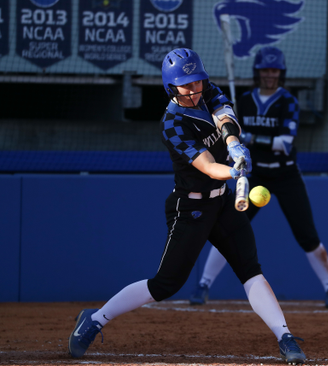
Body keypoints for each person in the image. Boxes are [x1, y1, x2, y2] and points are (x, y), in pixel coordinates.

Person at [67, 48, 306, 365]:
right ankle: (96, 319)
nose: (194, 90)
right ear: (171, 87)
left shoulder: (205, 89)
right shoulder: (172, 124)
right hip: (190, 209)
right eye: (185, 85)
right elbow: (207, 166)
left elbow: (224, 112)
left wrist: (233, 143)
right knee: (165, 285)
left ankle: (285, 337)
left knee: (250, 270)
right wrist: (235, 170)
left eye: (197, 82)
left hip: (221, 202)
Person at [190, 46, 328, 309]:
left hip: (285, 174)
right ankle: (203, 285)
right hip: (254, 174)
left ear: (280, 73)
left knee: (306, 233)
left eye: (274, 70)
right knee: (229, 230)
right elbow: (228, 131)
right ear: (257, 73)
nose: (269, 75)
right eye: (264, 70)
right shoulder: (244, 102)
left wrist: (249, 138)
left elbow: (284, 143)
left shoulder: (288, 102)